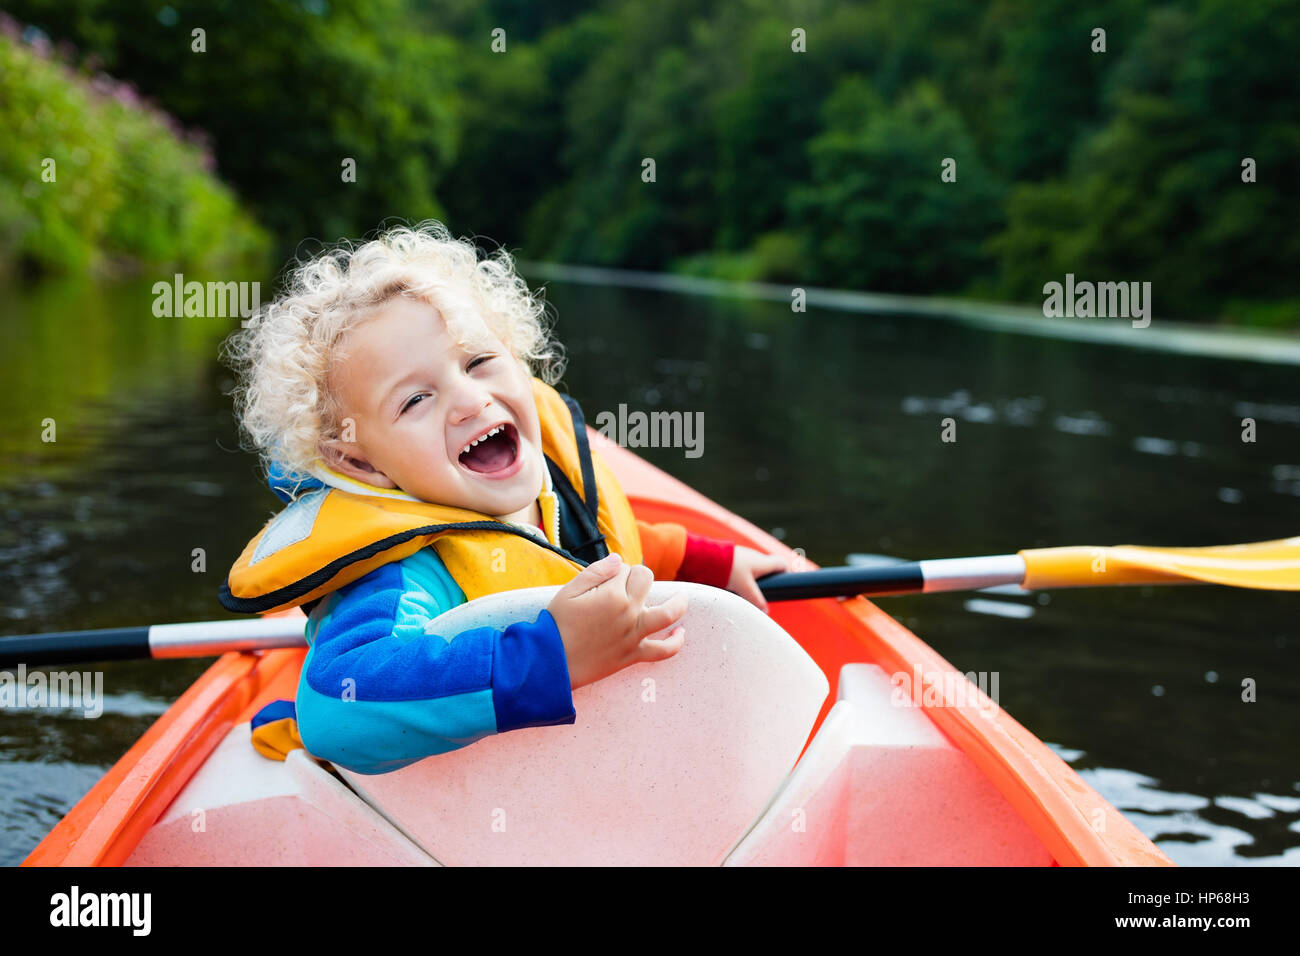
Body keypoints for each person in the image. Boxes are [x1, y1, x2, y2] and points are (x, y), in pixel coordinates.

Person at [220, 221, 785, 774]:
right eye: (415, 400)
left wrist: (710, 562)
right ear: (359, 460)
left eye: (478, 362)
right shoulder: (404, 572)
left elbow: (598, 547)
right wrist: (549, 655)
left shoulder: (545, 482)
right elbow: (335, 709)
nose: (469, 401)